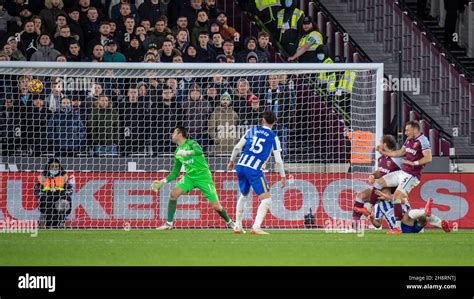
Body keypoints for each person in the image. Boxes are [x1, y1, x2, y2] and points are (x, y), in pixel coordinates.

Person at [151, 126, 237, 230]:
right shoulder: (177, 152)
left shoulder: (191, 143)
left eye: (174, 133)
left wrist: (187, 152)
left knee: (216, 206)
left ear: (180, 134)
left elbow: (199, 151)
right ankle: (169, 224)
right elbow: (175, 173)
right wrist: (162, 182)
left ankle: (229, 222)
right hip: (190, 178)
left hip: (204, 177)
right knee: (173, 194)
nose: (172, 135)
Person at [366, 121, 432, 234]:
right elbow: (399, 153)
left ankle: (398, 228)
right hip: (402, 172)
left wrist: (414, 163)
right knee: (378, 183)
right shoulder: (408, 140)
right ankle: (368, 208)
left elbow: (428, 158)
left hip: (412, 176)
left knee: (396, 196)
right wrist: (383, 151)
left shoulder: (423, 140)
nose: (406, 133)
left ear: (415, 129)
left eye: (407, 130)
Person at [228, 110, 286, 234]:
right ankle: (256, 227)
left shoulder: (252, 131)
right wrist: (283, 176)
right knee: (266, 200)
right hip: (253, 169)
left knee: (243, 195)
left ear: (262, 120)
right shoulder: (273, 137)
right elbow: (278, 161)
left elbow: (237, 147)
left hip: (240, 166)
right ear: (274, 122)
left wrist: (231, 161)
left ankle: (238, 226)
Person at [352, 135, 401, 220]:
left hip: (391, 191)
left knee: (383, 187)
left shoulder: (396, 158)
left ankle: (369, 208)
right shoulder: (381, 158)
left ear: (385, 145)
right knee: (360, 196)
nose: (379, 144)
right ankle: (355, 224)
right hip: (378, 188)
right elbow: (379, 172)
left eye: (381, 142)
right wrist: (372, 175)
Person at [367, 191, 452, 233]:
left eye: (386, 192)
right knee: (409, 213)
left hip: (414, 224)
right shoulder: (379, 206)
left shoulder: (400, 197)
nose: (383, 194)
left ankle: (442, 225)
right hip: (402, 227)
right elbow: (378, 225)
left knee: (423, 217)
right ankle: (425, 212)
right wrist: (372, 218)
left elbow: (402, 200)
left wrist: (388, 197)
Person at [34, 158, 74, 229]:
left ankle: (61, 222)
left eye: (56, 167)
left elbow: (70, 189)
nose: (54, 168)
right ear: (48, 167)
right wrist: (41, 194)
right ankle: (43, 222)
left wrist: (65, 192)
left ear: (59, 167)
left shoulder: (63, 177)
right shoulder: (43, 177)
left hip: (60, 198)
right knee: (46, 200)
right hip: (47, 199)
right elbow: (36, 189)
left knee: (65, 201)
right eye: (52, 166)